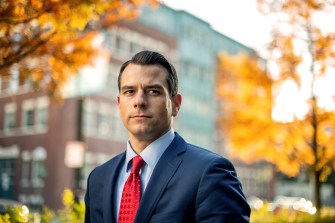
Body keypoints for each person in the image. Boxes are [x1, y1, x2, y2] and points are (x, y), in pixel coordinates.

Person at [84, 50, 250, 223]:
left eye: (153, 91)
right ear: (119, 104)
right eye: (130, 91)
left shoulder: (209, 173)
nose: (139, 101)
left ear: (176, 104)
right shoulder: (98, 178)